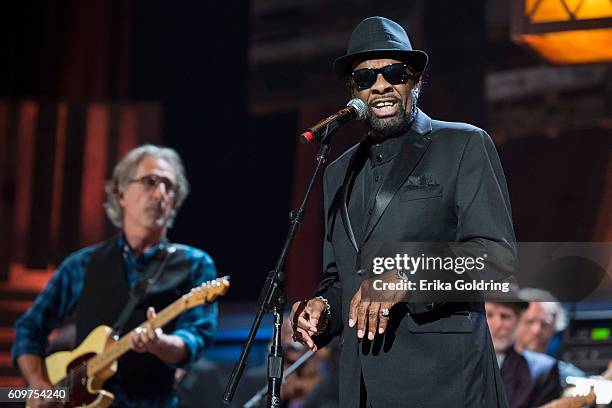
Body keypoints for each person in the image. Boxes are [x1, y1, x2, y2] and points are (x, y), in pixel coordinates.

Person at [290, 16, 516, 407]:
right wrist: (322, 309)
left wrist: (408, 276)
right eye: (365, 78)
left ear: (415, 80)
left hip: (445, 384)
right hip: (360, 387)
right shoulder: (337, 171)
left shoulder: (462, 145)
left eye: (394, 73)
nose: (380, 85)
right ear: (353, 92)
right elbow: (342, 276)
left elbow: (497, 259)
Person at [12, 145, 218, 407]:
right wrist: (38, 383)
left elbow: (195, 338)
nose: (160, 194)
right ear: (121, 192)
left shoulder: (194, 264)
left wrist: (160, 343)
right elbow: (29, 328)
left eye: (169, 186)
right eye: (150, 181)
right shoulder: (82, 264)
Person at [486, 301, 562, 408]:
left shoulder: (541, 370)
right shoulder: (460, 362)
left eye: (505, 316)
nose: (498, 324)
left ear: (518, 321)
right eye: (489, 315)